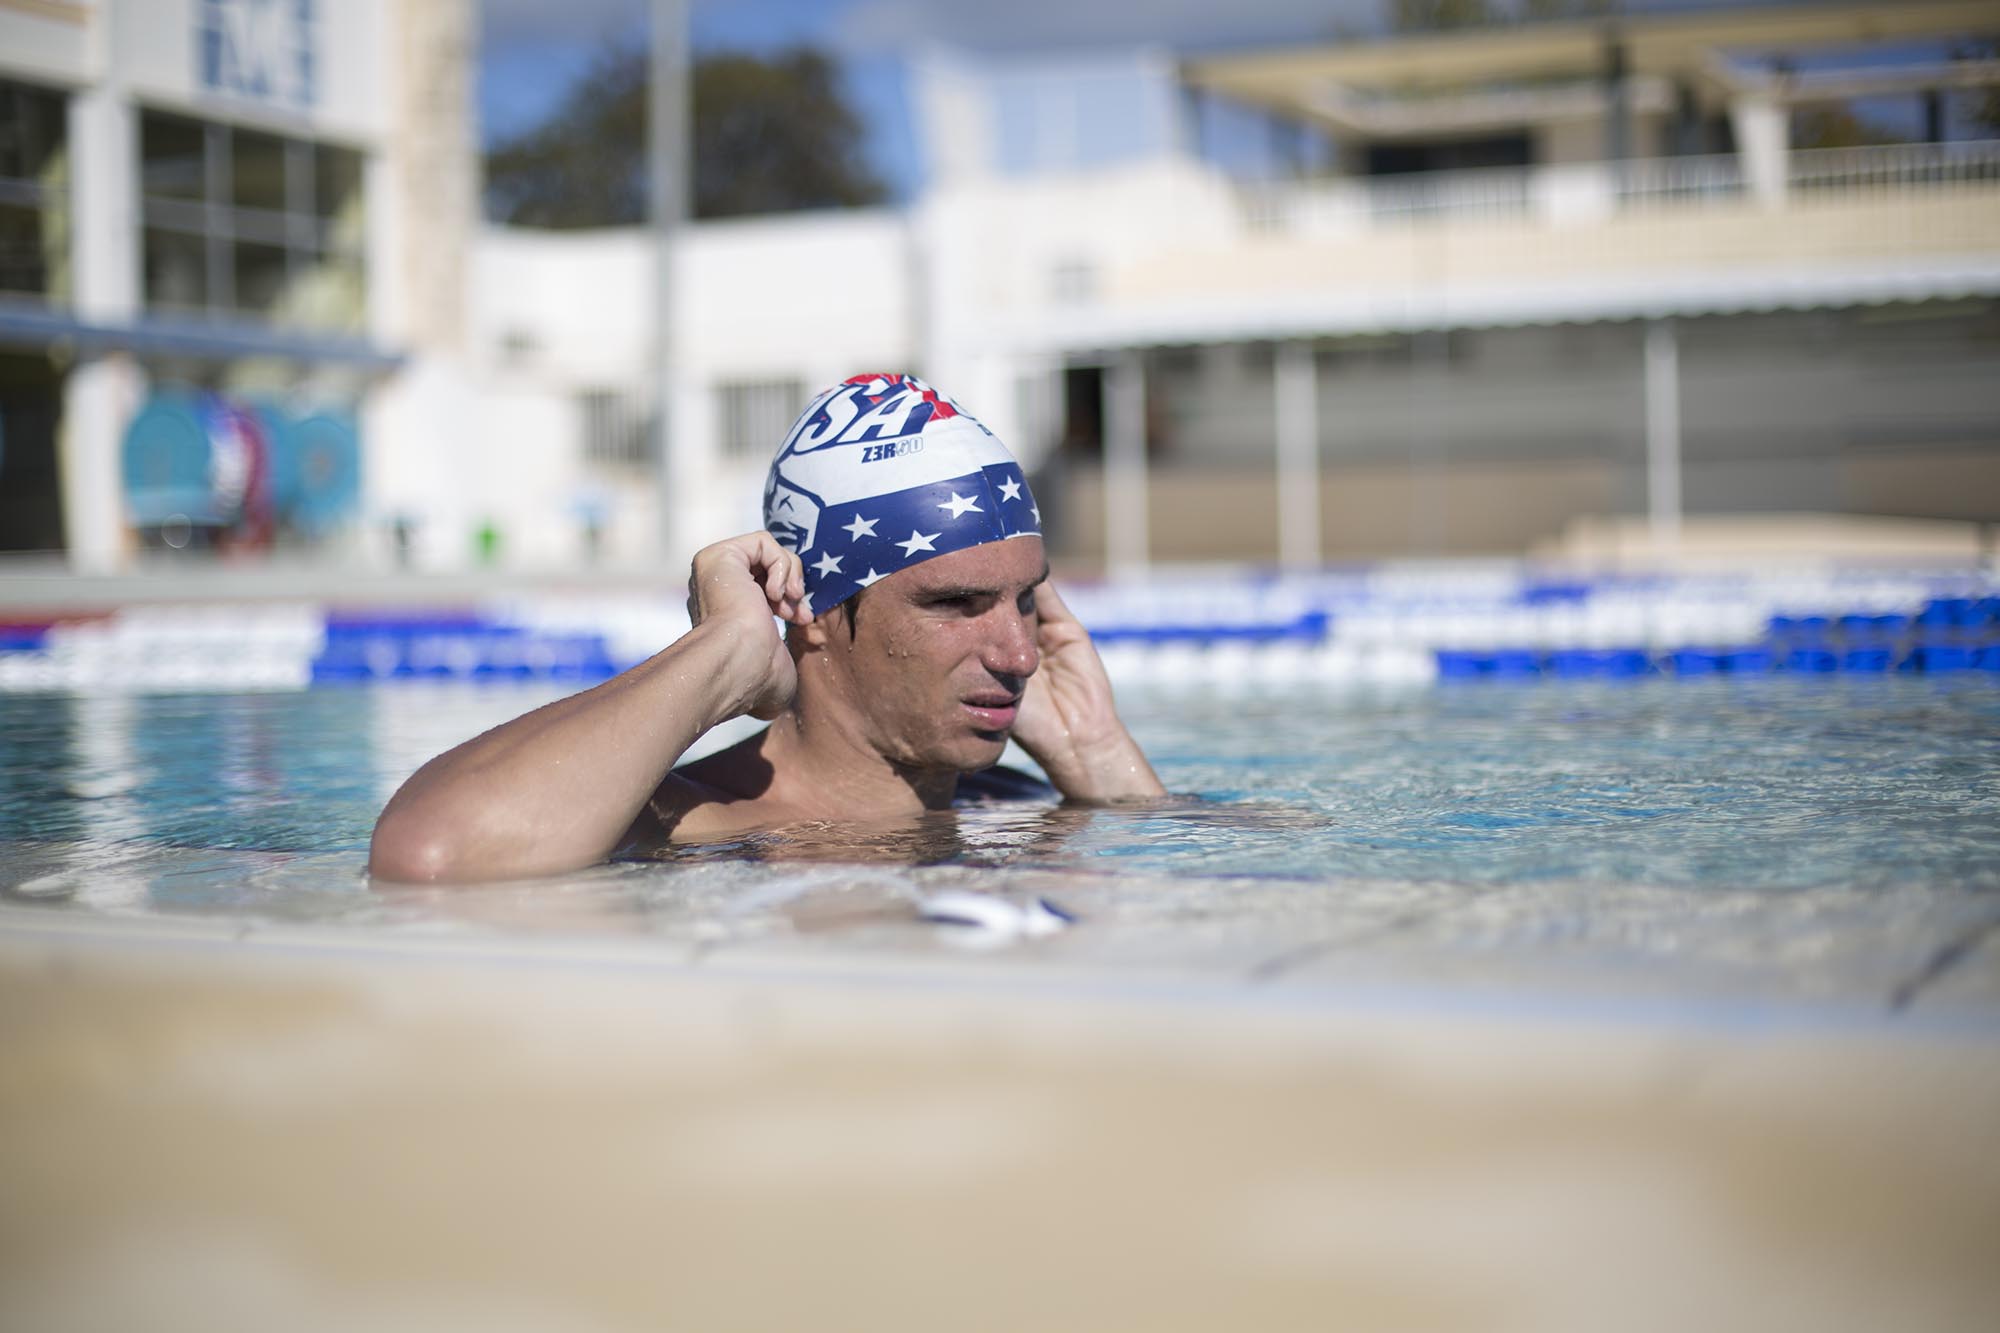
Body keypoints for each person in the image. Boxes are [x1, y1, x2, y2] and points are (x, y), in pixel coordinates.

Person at [370, 373, 1163, 883]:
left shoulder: (1017, 800)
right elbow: (426, 854)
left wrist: (1101, 759)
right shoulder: (678, 825)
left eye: (1025, 598)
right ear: (813, 612)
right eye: (955, 604)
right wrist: (722, 655)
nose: (1019, 653)